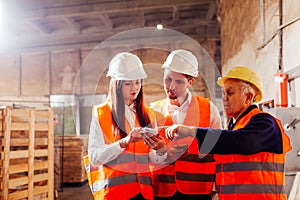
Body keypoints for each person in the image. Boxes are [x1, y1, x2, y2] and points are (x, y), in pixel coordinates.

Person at [165, 66, 292, 200]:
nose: (224, 98)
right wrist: (168, 148)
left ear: (248, 97)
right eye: (223, 93)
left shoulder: (265, 123)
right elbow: (219, 148)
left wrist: (192, 131)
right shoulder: (233, 128)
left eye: (230, 93)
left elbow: (242, 142)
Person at [86, 52, 166, 200]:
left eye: (137, 82)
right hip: (115, 194)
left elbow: (152, 159)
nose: (134, 88)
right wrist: (124, 142)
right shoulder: (102, 113)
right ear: (117, 85)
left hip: (144, 192)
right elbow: (95, 158)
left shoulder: (148, 114)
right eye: (128, 83)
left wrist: (161, 151)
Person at [149, 49, 222, 199]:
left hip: (199, 190)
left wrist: (216, 186)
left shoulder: (208, 109)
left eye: (179, 82)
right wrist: (162, 153)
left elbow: (218, 150)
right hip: (163, 190)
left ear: (190, 82)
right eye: (168, 79)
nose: (171, 87)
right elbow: (146, 153)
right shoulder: (152, 111)